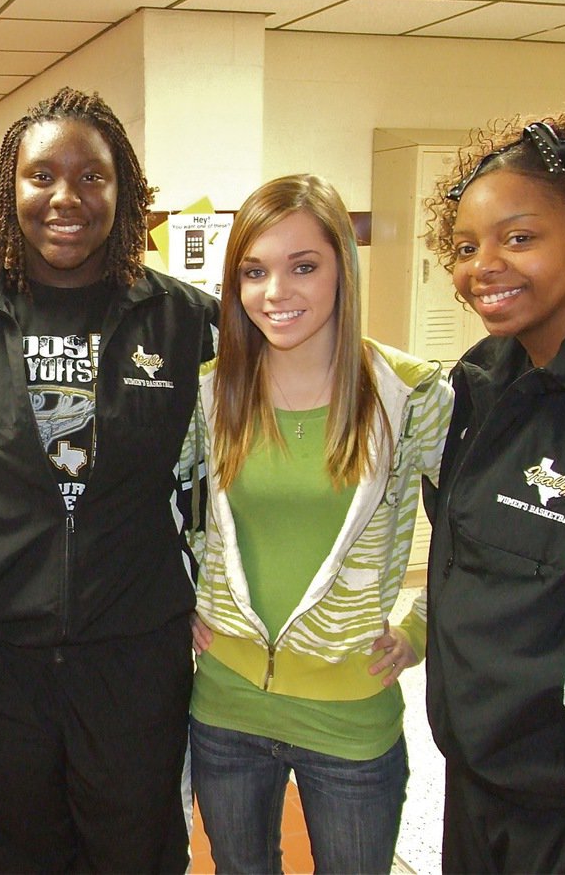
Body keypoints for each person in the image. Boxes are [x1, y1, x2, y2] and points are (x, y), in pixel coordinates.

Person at [0, 86, 218, 873]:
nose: (66, 197)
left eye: (92, 177)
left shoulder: (183, 322)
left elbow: (237, 464)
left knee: (138, 857)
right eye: (42, 177)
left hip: (132, 665)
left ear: (124, 190)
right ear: (12, 191)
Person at [188, 174, 453, 873]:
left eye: (303, 266)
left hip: (350, 712)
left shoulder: (408, 393)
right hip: (225, 704)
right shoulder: (212, 392)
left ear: (343, 267)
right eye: (255, 271)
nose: (277, 293)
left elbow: (481, 532)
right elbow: (169, 509)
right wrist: (179, 595)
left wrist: (423, 625)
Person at [424, 107, 565, 873]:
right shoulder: (484, 378)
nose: (484, 264)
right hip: (479, 784)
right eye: (466, 246)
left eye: (519, 238)